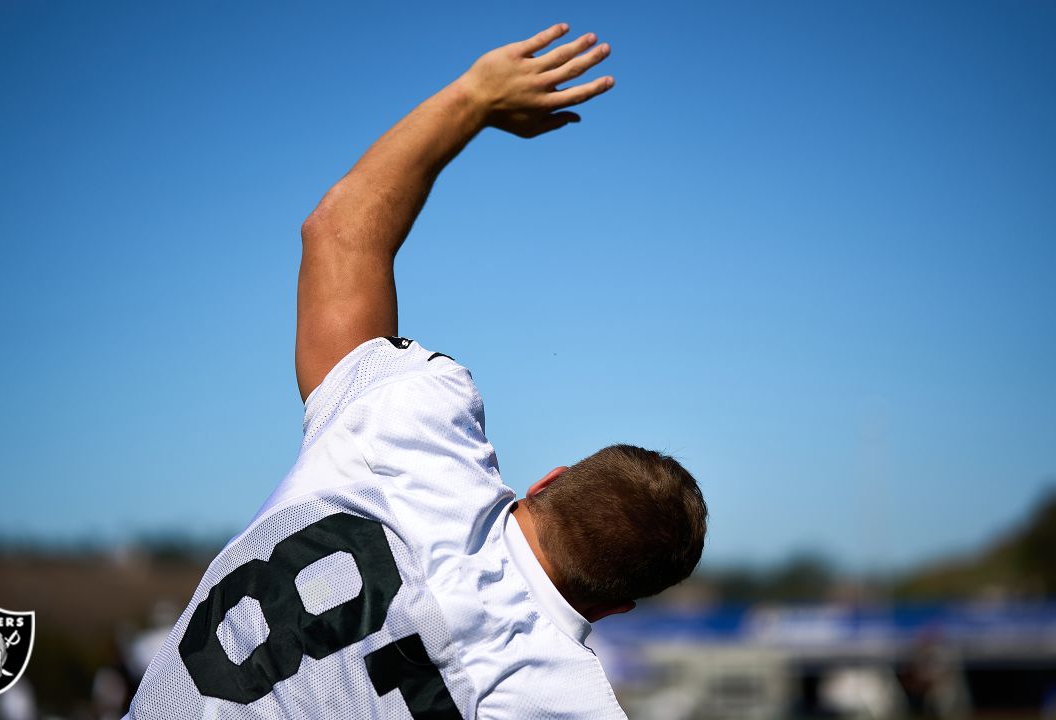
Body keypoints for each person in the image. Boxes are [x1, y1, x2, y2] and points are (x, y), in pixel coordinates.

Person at [125, 23, 707, 718]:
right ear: (617, 606)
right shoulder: (566, 702)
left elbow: (339, 232)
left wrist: (476, 97)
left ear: (548, 480)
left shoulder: (412, 425)